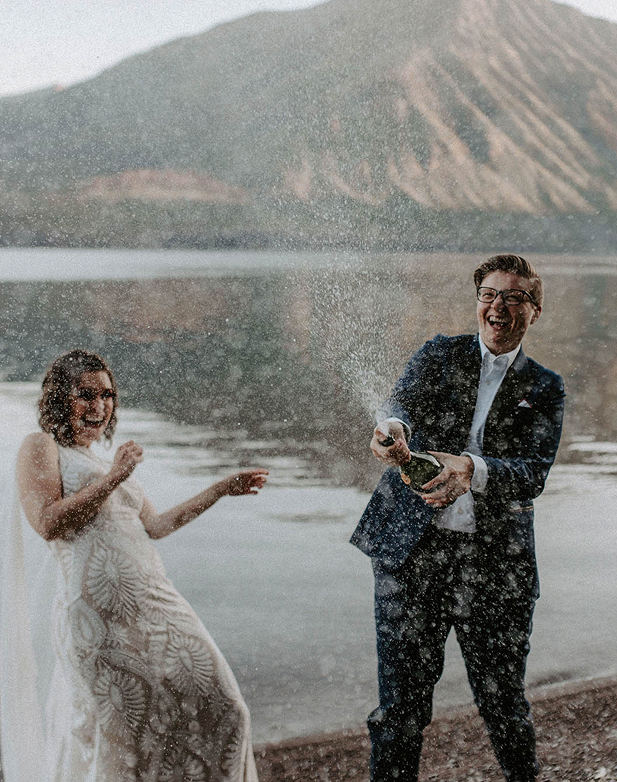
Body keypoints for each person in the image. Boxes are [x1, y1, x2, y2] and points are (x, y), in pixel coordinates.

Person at [2, 349, 267, 782]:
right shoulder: (42, 446)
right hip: (97, 620)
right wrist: (114, 478)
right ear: (58, 398)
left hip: (155, 605)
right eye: (85, 394)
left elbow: (159, 525)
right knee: (127, 740)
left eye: (107, 395)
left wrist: (221, 488)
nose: (99, 406)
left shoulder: (102, 463)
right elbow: (48, 523)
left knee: (225, 708)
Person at [350, 255, 565, 781]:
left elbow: (533, 472)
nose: (498, 306)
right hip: (412, 559)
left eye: (514, 297)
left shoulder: (546, 387)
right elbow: (400, 400)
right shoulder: (438, 354)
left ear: (534, 311)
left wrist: (472, 469)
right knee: (398, 713)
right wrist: (392, 429)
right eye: (489, 294)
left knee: (504, 708)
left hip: (497, 569)